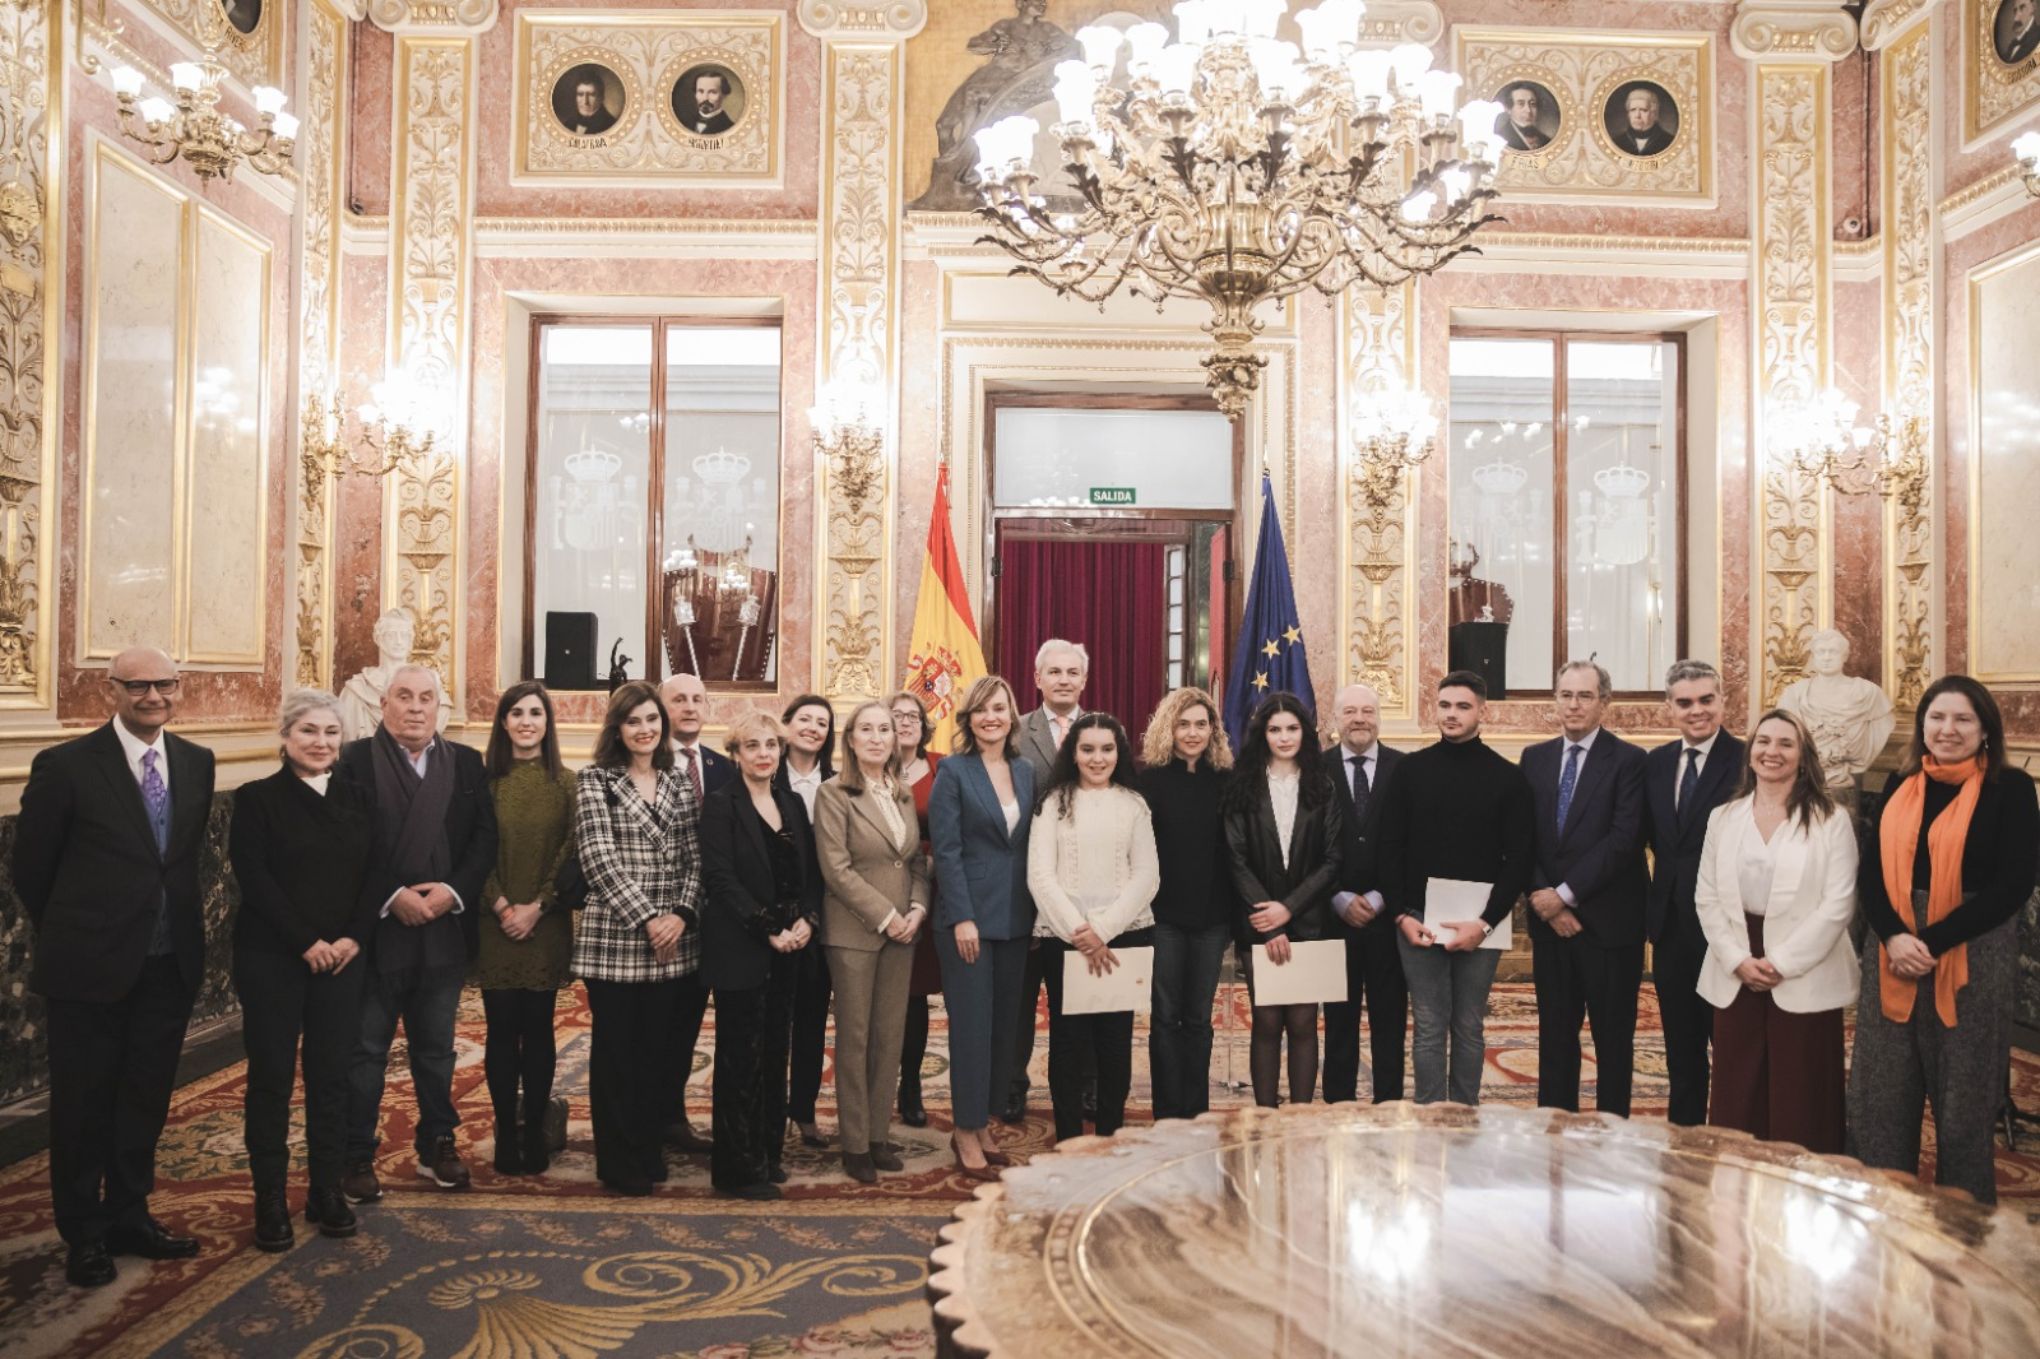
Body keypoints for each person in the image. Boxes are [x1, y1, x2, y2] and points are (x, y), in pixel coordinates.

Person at [15, 648, 216, 1288]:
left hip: (167, 963)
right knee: (83, 1106)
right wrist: (81, 932)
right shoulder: (67, 766)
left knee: (144, 1099)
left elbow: (180, 864)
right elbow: (31, 870)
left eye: (164, 684)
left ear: (178, 689)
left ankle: (130, 1214)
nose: (152, 695)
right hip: (88, 968)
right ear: (113, 691)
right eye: (138, 685)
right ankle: (85, 1233)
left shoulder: (196, 761)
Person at [1849, 676, 2039, 1205]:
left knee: (1963, 1104)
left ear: (1985, 731)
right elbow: (1870, 873)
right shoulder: (1901, 782)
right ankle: (1881, 1214)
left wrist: (1928, 941)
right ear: (1923, 725)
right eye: (1937, 717)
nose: (1947, 729)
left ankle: (1964, 1229)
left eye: (1962, 720)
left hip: (1971, 953)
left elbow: (2013, 885)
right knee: (1881, 1097)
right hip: (1891, 953)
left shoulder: (2013, 789)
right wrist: (1892, 935)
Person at [340, 664, 497, 1204]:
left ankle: (437, 1144)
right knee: (365, 1052)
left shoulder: (466, 764)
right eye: (403, 697)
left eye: (426, 698)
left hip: (442, 930)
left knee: (436, 1051)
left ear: (439, 708)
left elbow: (483, 842)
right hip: (377, 929)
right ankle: (356, 1153)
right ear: (383, 705)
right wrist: (393, 895)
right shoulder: (353, 761)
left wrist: (450, 893)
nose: (415, 707)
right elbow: (346, 843)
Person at [229, 690, 374, 1252]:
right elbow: (254, 878)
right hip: (273, 958)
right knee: (270, 1080)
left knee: (331, 1076)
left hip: (341, 960)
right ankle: (269, 1198)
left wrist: (352, 938)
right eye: (309, 731)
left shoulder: (360, 798)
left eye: (331, 733)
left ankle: (325, 1190)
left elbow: (376, 872)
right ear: (286, 738)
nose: (321, 743)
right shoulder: (257, 798)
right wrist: (305, 941)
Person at [1694, 709, 1858, 1154]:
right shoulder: (1723, 818)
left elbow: (1838, 904)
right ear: (1750, 755)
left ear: (1804, 758)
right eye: (1763, 742)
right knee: (1737, 1089)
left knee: (1800, 1092)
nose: (1772, 752)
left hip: (1805, 968)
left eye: (1786, 743)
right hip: (1737, 966)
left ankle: (1801, 1196)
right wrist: (1737, 959)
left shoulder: (1831, 820)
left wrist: (1781, 963)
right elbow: (1707, 898)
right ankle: (1734, 1192)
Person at [1378, 670, 1535, 1106]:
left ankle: (1464, 1118)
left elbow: (1518, 860)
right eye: (1444, 705)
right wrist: (1401, 917)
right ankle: (1431, 1121)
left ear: (1482, 711)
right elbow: (1389, 848)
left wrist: (1484, 924)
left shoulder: (1508, 778)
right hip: (1416, 922)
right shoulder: (1409, 771)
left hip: (1480, 925)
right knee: (1428, 1024)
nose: (1452, 714)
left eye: (1463, 706)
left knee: (1468, 1024)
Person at [573, 682, 702, 1195]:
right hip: (619, 938)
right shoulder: (594, 781)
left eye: (652, 720)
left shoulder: (679, 781)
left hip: (675, 941)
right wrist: (650, 918)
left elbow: (696, 855)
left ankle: (647, 1149)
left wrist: (681, 915)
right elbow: (597, 860)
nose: (645, 729)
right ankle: (617, 1158)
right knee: (616, 1056)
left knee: (658, 1054)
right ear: (618, 729)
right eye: (633, 722)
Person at [699, 712, 821, 1200]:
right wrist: (769, 929)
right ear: (736, 752)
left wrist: (806, 921)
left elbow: (811, 876)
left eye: (772, 744)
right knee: (738, 1061)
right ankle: (735, 1169)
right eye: (753, 745)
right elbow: (720, 879)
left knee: (775, 1055)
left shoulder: (790, 802)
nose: (764, 753)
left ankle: (768, 1155)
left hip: (790, 950)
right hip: (742, 949)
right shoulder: (720, 805)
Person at [1028, 713, 1161, 1141]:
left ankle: (1110, 1136)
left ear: (1118, 753)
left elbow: (1147, 876)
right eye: (1087, 749)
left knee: (1114, 1041)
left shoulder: (1134, 803)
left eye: (1107, 749)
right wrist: (1079, 931)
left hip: (1124, 936)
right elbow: (1040, 876)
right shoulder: (1052, 803)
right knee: (1068, 1042)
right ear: (1073, 753)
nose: (1097, 758)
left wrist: (1102, 930)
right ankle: (1068, 1137)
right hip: (1063, 939)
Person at [1523, 661, 1648, 1116]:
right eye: (1565, 695)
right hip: (1549, 925)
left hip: (1609, 927)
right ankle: (1554, 1135)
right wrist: (1547, 902)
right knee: (1555, 1038)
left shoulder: (1631, 761)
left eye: (1585, 696)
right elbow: (1524, 839)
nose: (1573, 705)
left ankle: (1612, 1142)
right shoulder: (1533, 758)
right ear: (1554, 700)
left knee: (1613, 1041)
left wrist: (1566, 895)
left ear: (1604, 703)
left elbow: (1623, 840)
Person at [815, 701, 930, 1183]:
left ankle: (880, 1135)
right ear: (851, 739)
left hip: (905, 930)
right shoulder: (834, 792)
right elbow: (836, 870)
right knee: (857, 1038)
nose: (879, 737)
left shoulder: (903, 793)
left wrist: (918, 909)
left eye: (885, 729)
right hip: (856, 932)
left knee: (890, 1037)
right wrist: (887, 916)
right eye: (868, 729)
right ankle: (855, 1143)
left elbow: (916, 863)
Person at [930, 676, 1037, 1177]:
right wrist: (963, 916)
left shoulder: (1027, 770)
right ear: (968, 719)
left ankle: (983, 1120)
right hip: (967, 919)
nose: (990, 717)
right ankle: (964, 1130)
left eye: (999, 708)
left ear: (1012, 715)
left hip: (1018, 917)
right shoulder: (953, 770)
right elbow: (946, 850)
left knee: (1003, 1028)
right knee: (971, 1027)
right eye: (980, 710)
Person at [1225, 693, 1344, 1110]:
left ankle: (1300, 1117)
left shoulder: (1322, 785)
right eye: (1275, 729)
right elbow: (1235, 858)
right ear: (1263, 734)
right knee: (1267, 1020)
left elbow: (1332, 861)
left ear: (1304, 733)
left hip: (1310, 922)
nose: (1284, 737)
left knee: (1303, 1022)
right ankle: (1265, 1117)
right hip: (1259, 924)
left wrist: (1289, 909)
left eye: (1292, 728)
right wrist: (1271, 920)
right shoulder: (1243, 784)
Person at [1641, 660, 1746, 1126]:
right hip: (1670, 927)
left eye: (1707, 700)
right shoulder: (1657, 763)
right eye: (1685, 703)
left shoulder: (1749, 759)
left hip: (1731, 926)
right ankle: (1684, 1139)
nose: (1697, 711)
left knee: (1732, 1044)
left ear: (1723, 701)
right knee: (1681, 1048)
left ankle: (1733, 1137)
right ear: (1669, 709)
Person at [478, 682, 575, 1176]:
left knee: (538, 1029)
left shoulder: (567, 783)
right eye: (516, 713)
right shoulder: (483, 782)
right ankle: (504, 1133)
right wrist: (500, 906)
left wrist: (538, 906)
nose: (526, 721)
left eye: (536, 713)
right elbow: (471, 850)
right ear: (503, 722)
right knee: (500, 1029)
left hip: (546, 923)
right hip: (494, 922)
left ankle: (535, 1130)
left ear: (547, 722)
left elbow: (570, 852)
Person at [1138, 687, 1235, 1120]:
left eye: (1201, 724)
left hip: (1213, 918)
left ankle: (1195, 1111)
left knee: (1198, 1019)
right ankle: (1166, 1114)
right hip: (1164, 919)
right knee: (1165, 1017)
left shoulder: (1227, 781)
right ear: (1168, 728)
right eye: (1183, 724)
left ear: (1213, 730)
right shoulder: (1149, 781)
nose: (1192, 733)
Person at [1006, 638, 1090, 1123]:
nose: (1062, 679)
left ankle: (1085, 1085)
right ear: (1037, 679)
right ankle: (1014, 1084)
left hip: (1085, 892)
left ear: (1083, 680)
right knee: (1021, 1000)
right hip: (1023, 888)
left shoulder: (1102, 731)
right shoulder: (1014, 733)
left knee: (1081, 998)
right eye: (1053, 672)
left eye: (1071, 672)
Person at [658, 672, 734, 1154]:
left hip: (719, 922)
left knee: (689, 1024)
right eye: (679, 699)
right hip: (663, 920)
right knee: (655, 1027)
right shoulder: (644, 758)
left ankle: (673, 1117)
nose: (689, 706)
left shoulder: (723, 767)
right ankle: (650, 1114)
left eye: (697, 699)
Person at [1321, 683, 1406, 1105]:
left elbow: (1413, 846)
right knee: (1339, 1023)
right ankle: (1338, 1106)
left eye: (1367, 711)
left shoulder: (1404, 769)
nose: (1359, 719)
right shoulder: (1315, 770)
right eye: (1350, 711)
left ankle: (1389, 1107)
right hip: (1332, 917)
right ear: (1335, 719)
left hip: (1387, 919)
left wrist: (1380, 897)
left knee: (1389, 1022)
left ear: (1379, 718)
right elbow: (1307, 845)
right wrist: (1336, 897)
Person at [778, 693, 838, 1148]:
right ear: (787, 725)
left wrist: (812, 917)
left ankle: (803, 1110)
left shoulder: (839, 783)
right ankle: (765, 1109)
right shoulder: (761, 772)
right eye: (805, 719)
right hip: (771, 919)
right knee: (771, 1019)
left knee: (812, 1018)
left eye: (822, 722)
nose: (813, 728)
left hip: (823, 916)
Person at [891, 691, 944, 1129]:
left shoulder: (943, 768)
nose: (906, 723)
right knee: (879, 997)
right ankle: (875, 1085)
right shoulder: (870, 766)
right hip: (880, 894)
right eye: (896, 716)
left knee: (914, 996)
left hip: (928, 895)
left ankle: (910, 1084)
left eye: (913, 717)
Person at [337, 607, 451, 741]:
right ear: (378, 639)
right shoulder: (357, 690)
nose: (399, 641)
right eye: (391, 635)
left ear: (411, 640)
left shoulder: (431, 686)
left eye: (404, 635)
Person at [1613, 86, 1675, 156]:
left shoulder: (1670, 142)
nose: (1637, 116)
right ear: (1628, 114)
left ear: (1654, 114)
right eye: (1633, 110)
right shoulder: (1616, 143)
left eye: (1643, 110)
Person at [1498, 83, 1552, 151]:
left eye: (1532, 104)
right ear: (1508, 109)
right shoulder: (1498, 138)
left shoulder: (1546, 141)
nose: (1528, 110)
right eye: (1521, 104)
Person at [682, 71, 735, 135]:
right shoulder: (684, 123)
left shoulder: (731, 128)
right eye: (700, 91)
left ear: (724, 95)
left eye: (712, 92)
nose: (705, 98)